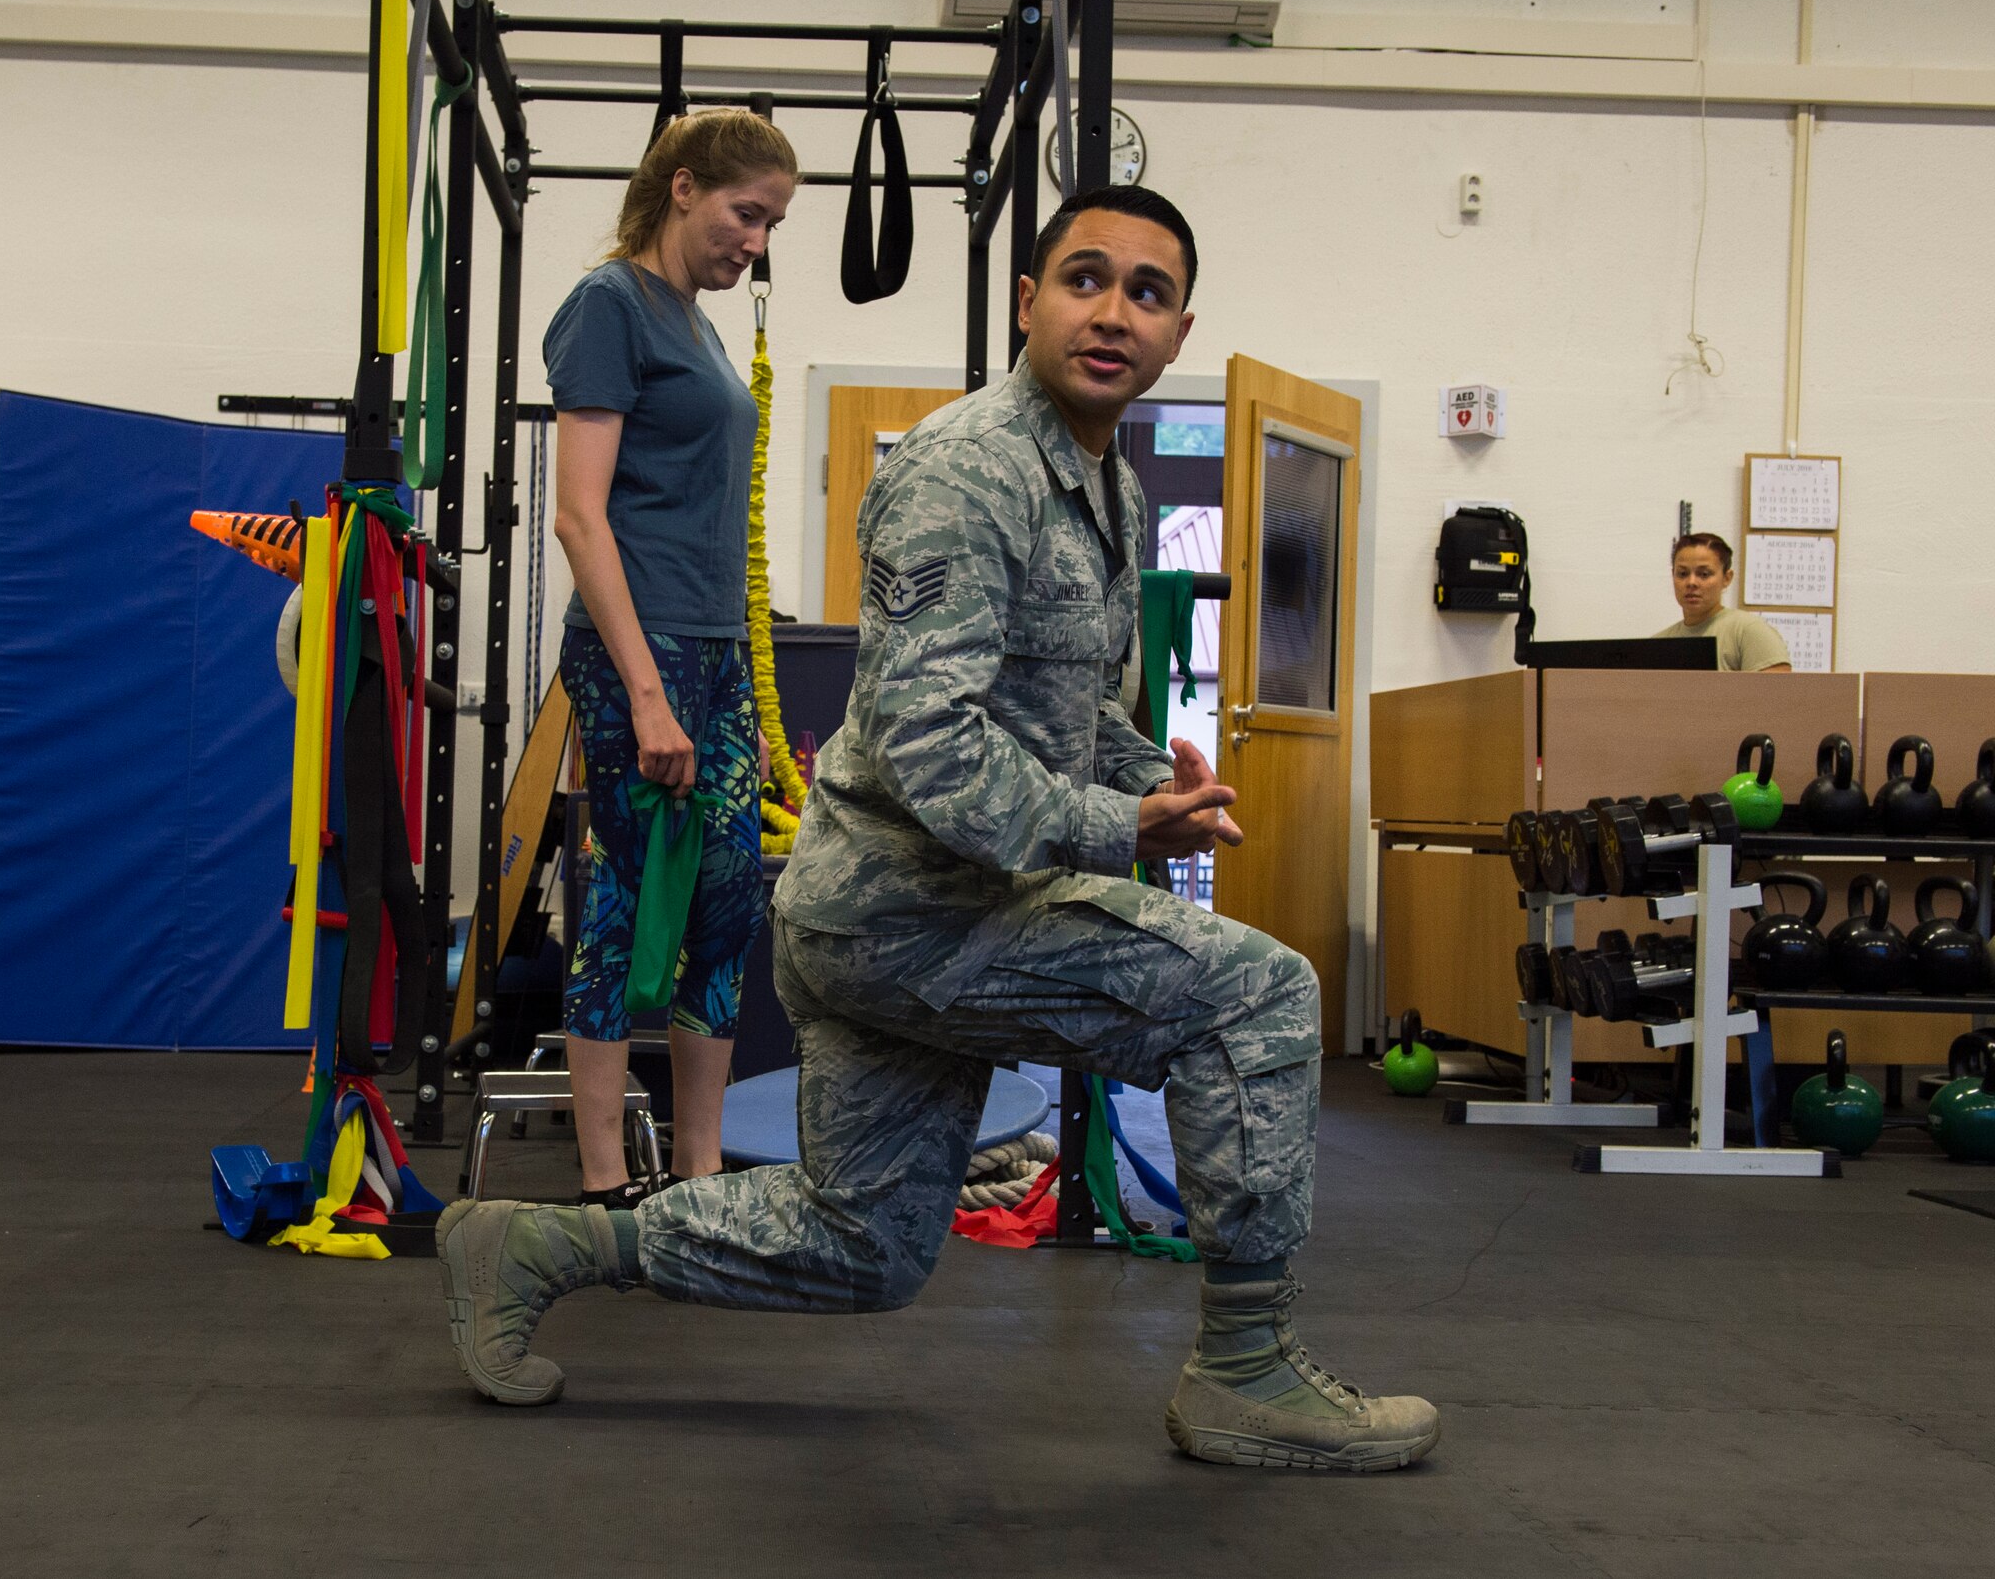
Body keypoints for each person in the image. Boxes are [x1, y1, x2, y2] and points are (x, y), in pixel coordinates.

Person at [439, 184, 1441, 1474]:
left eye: (1146, 293)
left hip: (914, 920)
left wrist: (1153, 784)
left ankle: (538, 1245)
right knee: (1257, 998)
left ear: (1177, 333)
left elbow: (1067, 712)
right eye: (1084, 279)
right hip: (913, 914)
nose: (1112, 313)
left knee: (863, 1247)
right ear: (1027, 302)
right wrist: (1108, 823)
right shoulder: (971, 470)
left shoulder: (1105, 488)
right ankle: (1244, 1369)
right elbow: (929, 744)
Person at [544, 109, 798, 1207]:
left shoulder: (694, 323)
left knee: (728, 908)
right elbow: (578, 518)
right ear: (683, 187)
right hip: (636, 657)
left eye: (772, 223)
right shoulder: (609, 306)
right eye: (747, 213)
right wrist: (648, 699)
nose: (755, 240)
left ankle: (700, 1177)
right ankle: (605, 1184)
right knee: (625, 901)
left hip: (717, 652)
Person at [1653, 533, 1792, 672]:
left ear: (1727, 578)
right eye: (1683, 574)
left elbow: (1779, 692)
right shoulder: (1658, 643)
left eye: (1704, 574)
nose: (1691, 582)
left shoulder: (1749, 630)